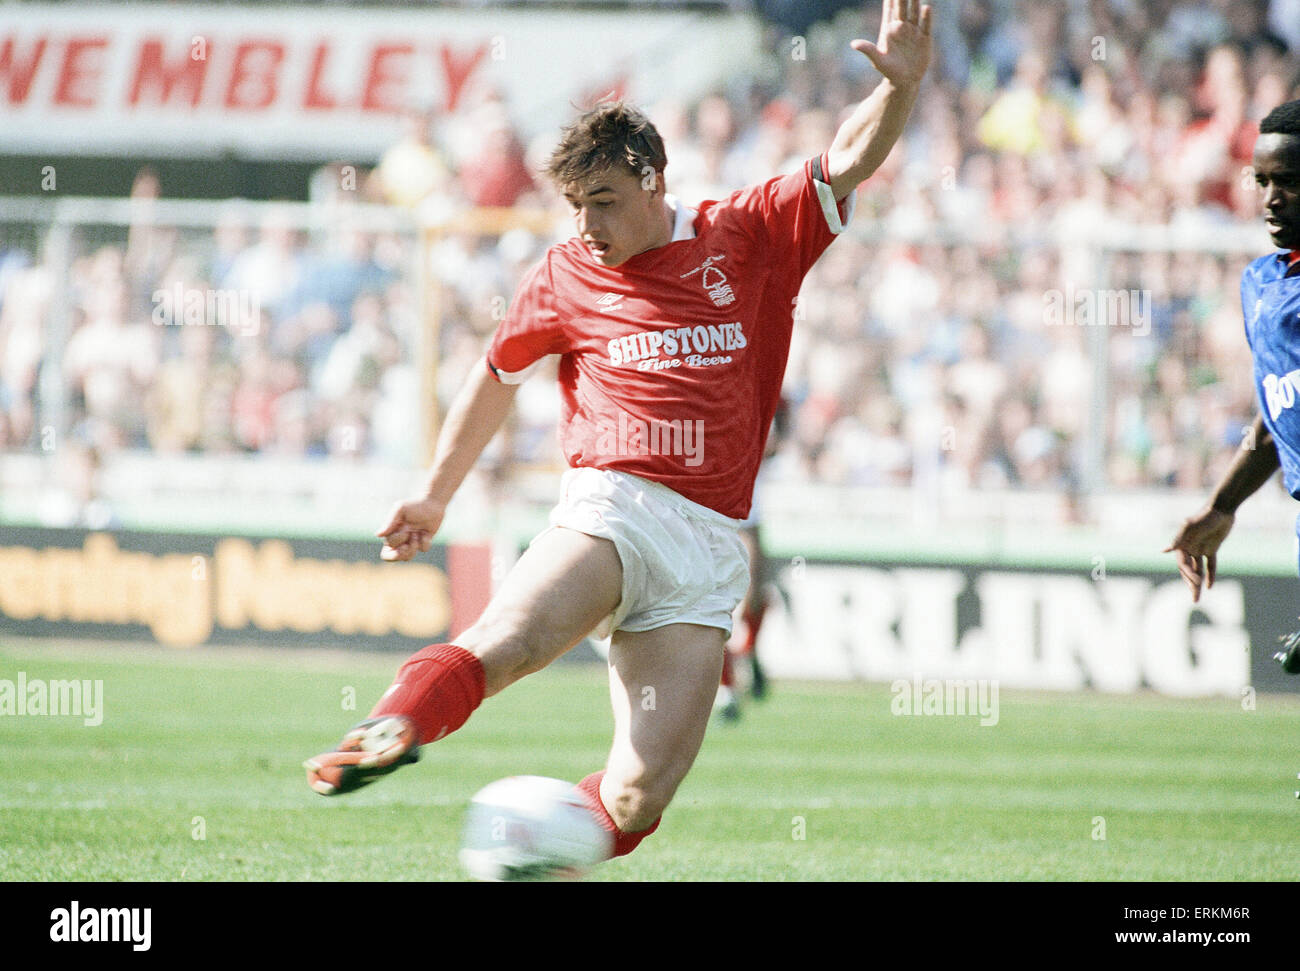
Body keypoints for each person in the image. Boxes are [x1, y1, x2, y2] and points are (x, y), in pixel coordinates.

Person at [305, 0, 933, 871]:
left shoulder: (744, 234)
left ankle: (534, 851)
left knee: (638, 800)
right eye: (574, 204)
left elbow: (847, 160)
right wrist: (435, 492)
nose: (586, 225)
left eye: (602, 200)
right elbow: (495, 378)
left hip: (711, 543)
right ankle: (392, 724)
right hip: (615, 503)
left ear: (653, 182)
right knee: (513, 639)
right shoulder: (563, 272)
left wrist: (898, 91)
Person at [1165, 97, 1300, 676]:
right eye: (1262, 179)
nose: (1270, 197)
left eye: (1291, 182)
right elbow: (1281, 414)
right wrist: (1223, 504)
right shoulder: (1262, 285)